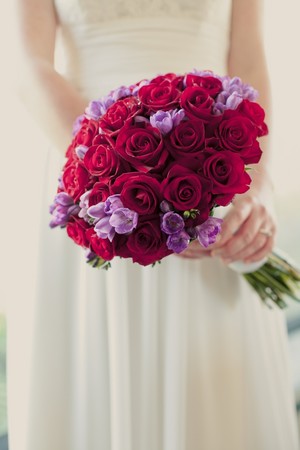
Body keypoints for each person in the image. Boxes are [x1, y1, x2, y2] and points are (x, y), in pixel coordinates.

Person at [11, 0, 299, 449]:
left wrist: (255, 186)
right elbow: (29, 67)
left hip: (214, 169)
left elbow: (249, 56)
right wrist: (110, 168)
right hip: (93, 177)